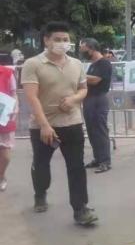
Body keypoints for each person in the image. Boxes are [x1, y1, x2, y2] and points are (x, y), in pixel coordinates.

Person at [21, 22, 98, 226]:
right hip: (43, 125)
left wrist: (74, 99)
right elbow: (32, 97)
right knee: (41, 164)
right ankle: (40, 193)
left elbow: (83, 89)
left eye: (65, 39)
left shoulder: (76, 64)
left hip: (72, 122)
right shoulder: (33, 64)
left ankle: (81, 209)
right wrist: (44, 125)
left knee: (76, 166)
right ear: (46, 40)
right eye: (57, 39)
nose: (62, 43)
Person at [80, 38, 112, 173]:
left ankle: (105, 161)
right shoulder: (93, 64)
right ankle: (97, 158)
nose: (82, 52)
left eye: (84, 49)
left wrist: (79, 75)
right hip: (89, 99)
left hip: (99, 99)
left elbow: (95, 80)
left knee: (100, 130)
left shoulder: (104, 63)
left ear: (92, 49)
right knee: (92, 131)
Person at [0, 65, 18, 192]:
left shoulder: (7, 73)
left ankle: (1, 175)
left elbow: (14, 93)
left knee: (5, 156)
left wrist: (15, 107)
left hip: (4, 116)